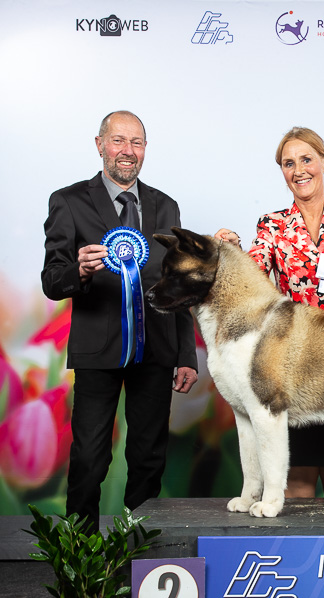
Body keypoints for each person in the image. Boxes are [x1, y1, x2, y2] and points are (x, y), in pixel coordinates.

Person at [41, 110, 198, 531]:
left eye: (137, 142)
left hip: (157, 349)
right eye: (118, 140)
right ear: (100, 145)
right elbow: (52, 280)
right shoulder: (68, 201)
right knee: (90, 455)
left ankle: (139, 550)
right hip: (98, 348)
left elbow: (178, 285)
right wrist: (79, 271)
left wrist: (186, 354)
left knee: (149, 456)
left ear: (145, 149)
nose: (128, 151)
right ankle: (81, 550)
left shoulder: (166, 205)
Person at [215, 126, 324, 499]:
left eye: (306, 159)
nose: (298, 170)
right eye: (288, 163)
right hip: (295, 365)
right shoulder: (272, 225)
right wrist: (230, 249)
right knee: (296, 482)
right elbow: (252, 275)